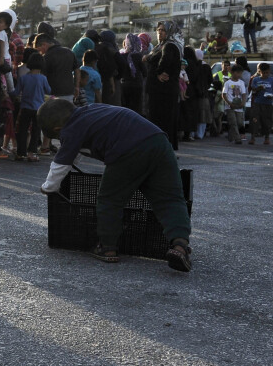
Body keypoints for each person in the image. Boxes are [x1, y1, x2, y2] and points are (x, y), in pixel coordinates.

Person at [38, 98, 191, 272]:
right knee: (169, 198)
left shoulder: (71, 128)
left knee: (110, 200)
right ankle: (180, 245)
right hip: (159, 141)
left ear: (57, 130)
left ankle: (107, 247)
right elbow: (75, 151)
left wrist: (49, 187)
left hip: (128, 150)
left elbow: (61, 163)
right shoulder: (91, 111)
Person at [145, 21, 183, 150]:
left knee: (163, 119)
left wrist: (159, 72)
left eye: (163, 30)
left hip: (163, 91)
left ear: (170, 32)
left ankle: (164, 148)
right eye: (158, 30)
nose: (160, 32)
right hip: (157, 90)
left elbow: (165, 60)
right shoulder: (160, 46)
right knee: (158, 118)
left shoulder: (170, 46)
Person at [14, 48, 49, 161]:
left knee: (22, 130)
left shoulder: (24, 78)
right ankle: (32, 153)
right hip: (38, 108)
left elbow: (16, 92)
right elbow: (49, 90)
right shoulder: (43, 78)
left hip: (25, 107)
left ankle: (20, 153)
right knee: (35, 131)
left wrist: (6, 92)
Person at [249, 62, 273, 146]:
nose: (265, 74)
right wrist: (258, 88)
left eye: (267, 73)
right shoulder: (256, 80)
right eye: (263, 73)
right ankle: (253, 137)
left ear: (269, 71)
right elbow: (253, 90)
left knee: (267, 121)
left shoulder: (272, 80)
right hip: (258, 103)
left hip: (268, 103)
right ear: (259, 72)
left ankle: (267, 137)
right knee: (255, 120)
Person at [116, 33, 146, 114]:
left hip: (125, 85)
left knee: (126, 109)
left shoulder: (122, 56)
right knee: (136, 109)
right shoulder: (139, 56)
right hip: (137, 85)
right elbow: (145, 72)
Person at [221, 65, 248, 145]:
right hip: (230, 107)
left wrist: (243, 102)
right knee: (233, 122)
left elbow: (243, 94)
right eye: (237, 73)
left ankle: (231, 134)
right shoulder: (227, 83)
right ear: (232, 73)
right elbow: (224, 94)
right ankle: (237, 139)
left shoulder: (241, 83)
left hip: (239, 106)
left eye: (240, 73)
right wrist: (229, 103)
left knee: (239, 123)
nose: (239, 75)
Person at [95, 29, 118, 105]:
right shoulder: (111, 49)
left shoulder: (96, 47)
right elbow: (111, 68)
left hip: (97, 79)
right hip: (107, 81)